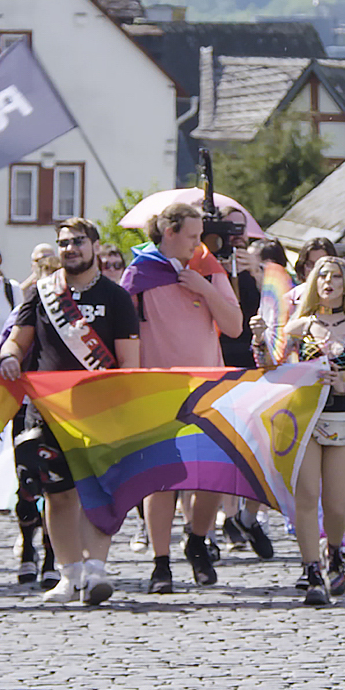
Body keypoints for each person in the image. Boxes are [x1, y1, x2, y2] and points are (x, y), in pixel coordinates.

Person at [0, 218, 140, 604]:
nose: (70, 248)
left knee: (101, 491)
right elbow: (16, 341)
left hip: (100, 409)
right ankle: (69, 573)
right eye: (63, 243)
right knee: (58, 495)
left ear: (94, 245)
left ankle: (96, 572)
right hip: (48, 410)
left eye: (78, 241)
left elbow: (129, 362)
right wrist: (10, 358)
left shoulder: (116, 297)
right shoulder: (43, 293)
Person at [120, 202, 243, 594]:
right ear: (169, 232)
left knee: (212, 476)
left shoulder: (208, 267)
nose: (197, 243)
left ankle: (196, 540)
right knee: (162, 481)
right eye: (191, 236)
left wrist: (204, 287)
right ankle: (160, 562)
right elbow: (125, 328)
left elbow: (235, 326)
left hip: (207, 387)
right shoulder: (139, 272)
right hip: (158, 388)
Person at [253, 256, 345, 604]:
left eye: (336, 276)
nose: (328, 282)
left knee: (336, 503)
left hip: (343, 421)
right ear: (312, 282)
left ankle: (335, 553)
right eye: (322, 275)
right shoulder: (300, 326)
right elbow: (270, 368)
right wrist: (260, 340)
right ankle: (311, 571)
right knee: (306, 497)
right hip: (303, 420)